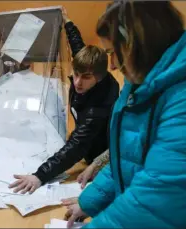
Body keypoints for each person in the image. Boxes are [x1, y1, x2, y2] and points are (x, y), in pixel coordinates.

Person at [66, 1, 186, 228]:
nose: (112, 65)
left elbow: (159, 197)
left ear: (138, 45)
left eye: (113, 52)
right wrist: (89, 202)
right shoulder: (137, 86)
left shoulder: (184, 95)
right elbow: (125, 159)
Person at [8, 7, 119, 194]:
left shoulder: (99, 105)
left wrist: (39, 176)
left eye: (85, 77)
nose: (77, 82)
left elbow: (78, 145)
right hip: (85, 147)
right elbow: (77, 45)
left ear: (99, 78)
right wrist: (67, 20)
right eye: (75, 74)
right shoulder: (86, 66)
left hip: (99, 156)